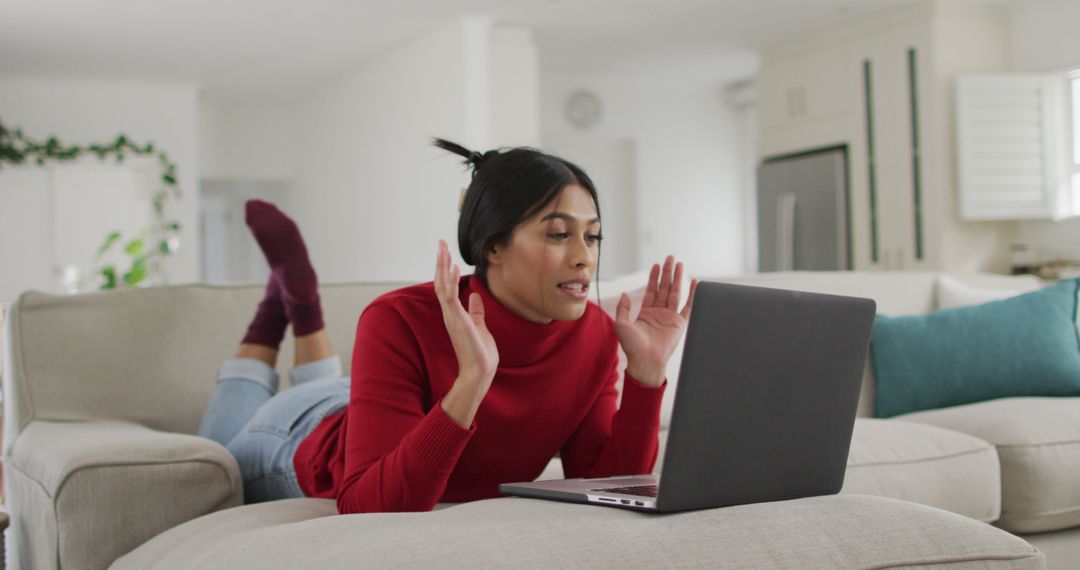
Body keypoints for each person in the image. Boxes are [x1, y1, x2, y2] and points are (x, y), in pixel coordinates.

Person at [198, 139, 698, 514]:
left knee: (335, 389)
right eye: (559, 234)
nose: (584, 258)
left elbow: (602, 484)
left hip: (366, 404)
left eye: (592, 237)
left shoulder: (593, 336)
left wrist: (646, 375)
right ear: (493, 247)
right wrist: (471, 383)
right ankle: (281, 313)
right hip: (294, 436)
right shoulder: (399, 318)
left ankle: (295, 300)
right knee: (215, 450)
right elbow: (368, 504)